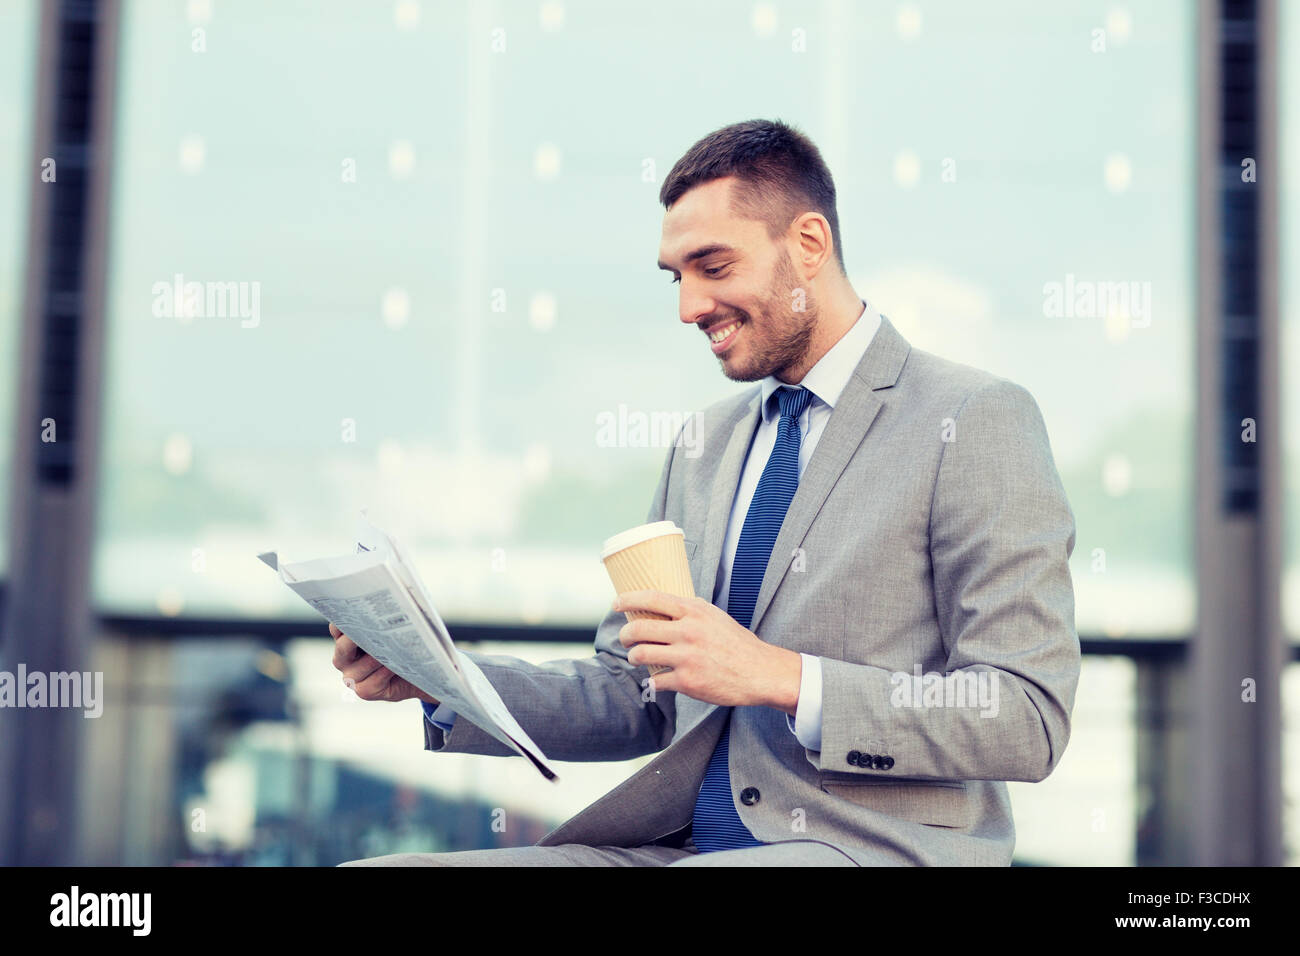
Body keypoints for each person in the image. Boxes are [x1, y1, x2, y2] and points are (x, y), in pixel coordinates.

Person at [333, 119, 1080, 866]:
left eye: (713, 267)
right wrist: (440, 682)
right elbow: (636, 692)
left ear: (810, 245)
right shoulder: (703, 445)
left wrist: (783, 679)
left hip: (865, 848)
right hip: (681, 847)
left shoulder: (972, 419)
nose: (689, 307)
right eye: (676, 276)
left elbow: (1024, 714)